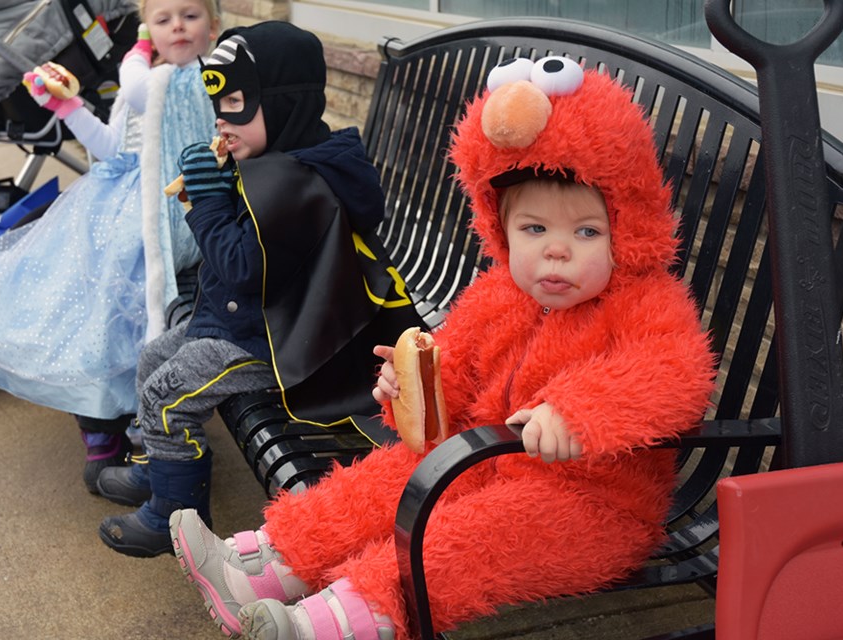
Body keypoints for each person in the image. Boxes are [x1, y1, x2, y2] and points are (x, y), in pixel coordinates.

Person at [165, 56, 718, 640]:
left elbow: (674, 372)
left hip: (592, 504)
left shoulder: (645, 302)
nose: (557, 252)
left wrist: (577, 412)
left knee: (467, 538)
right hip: (484, 463)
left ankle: (325, 625)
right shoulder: (502, 295)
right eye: (535, 230)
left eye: (586, 232)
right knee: (394, 474)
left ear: (626, 227)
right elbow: (451, 371)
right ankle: (261, 569)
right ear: (501, 229)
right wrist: (410, 391)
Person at [96, 22, 420, 558]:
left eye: (239, 104)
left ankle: (174, 520)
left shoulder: (299, 182)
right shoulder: (275, 160)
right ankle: (160, 466)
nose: (222, 120)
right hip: (244, 320)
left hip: (272, 341)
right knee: (155, 355)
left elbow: (245, 266)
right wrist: (223, 185)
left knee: (167, 396)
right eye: (218, 104)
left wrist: (205, 198)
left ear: (284, 103)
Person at [0, 0, 219, 492]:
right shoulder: (145, 79)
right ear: (150, 24)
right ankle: (97, 423)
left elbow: (139, 89)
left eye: (190, 16)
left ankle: (136, 427)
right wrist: (67, 107)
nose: (177, 26)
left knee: (117, 296)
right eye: (163, 18)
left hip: (167, 207)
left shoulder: (202, 77)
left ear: (213, 28)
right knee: (69, 285)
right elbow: (110, 145)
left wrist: (137, 49)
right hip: (114, 202)